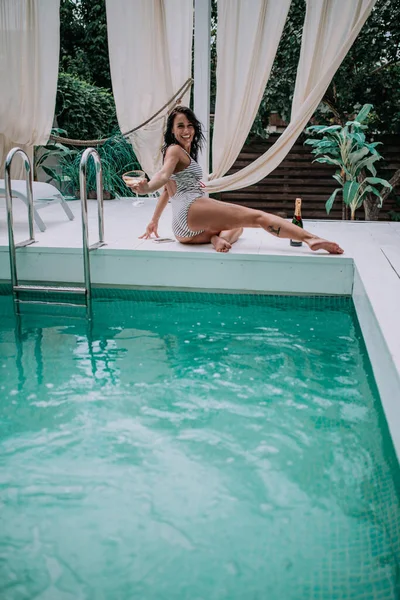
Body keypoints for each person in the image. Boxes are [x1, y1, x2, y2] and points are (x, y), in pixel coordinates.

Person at [128, 106, 343, 255]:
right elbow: (163, 177)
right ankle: (310, 239)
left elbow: (167, 190)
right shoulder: (174, 150)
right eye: (180, 126)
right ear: (172, 131)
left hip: (183, 233)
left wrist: (154, 221)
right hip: (191, 209)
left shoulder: (176, 153)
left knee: (238, 227)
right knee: (256, 217)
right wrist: (147, 187)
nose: (186, 131)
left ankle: (214, 238)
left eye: (190, 125)